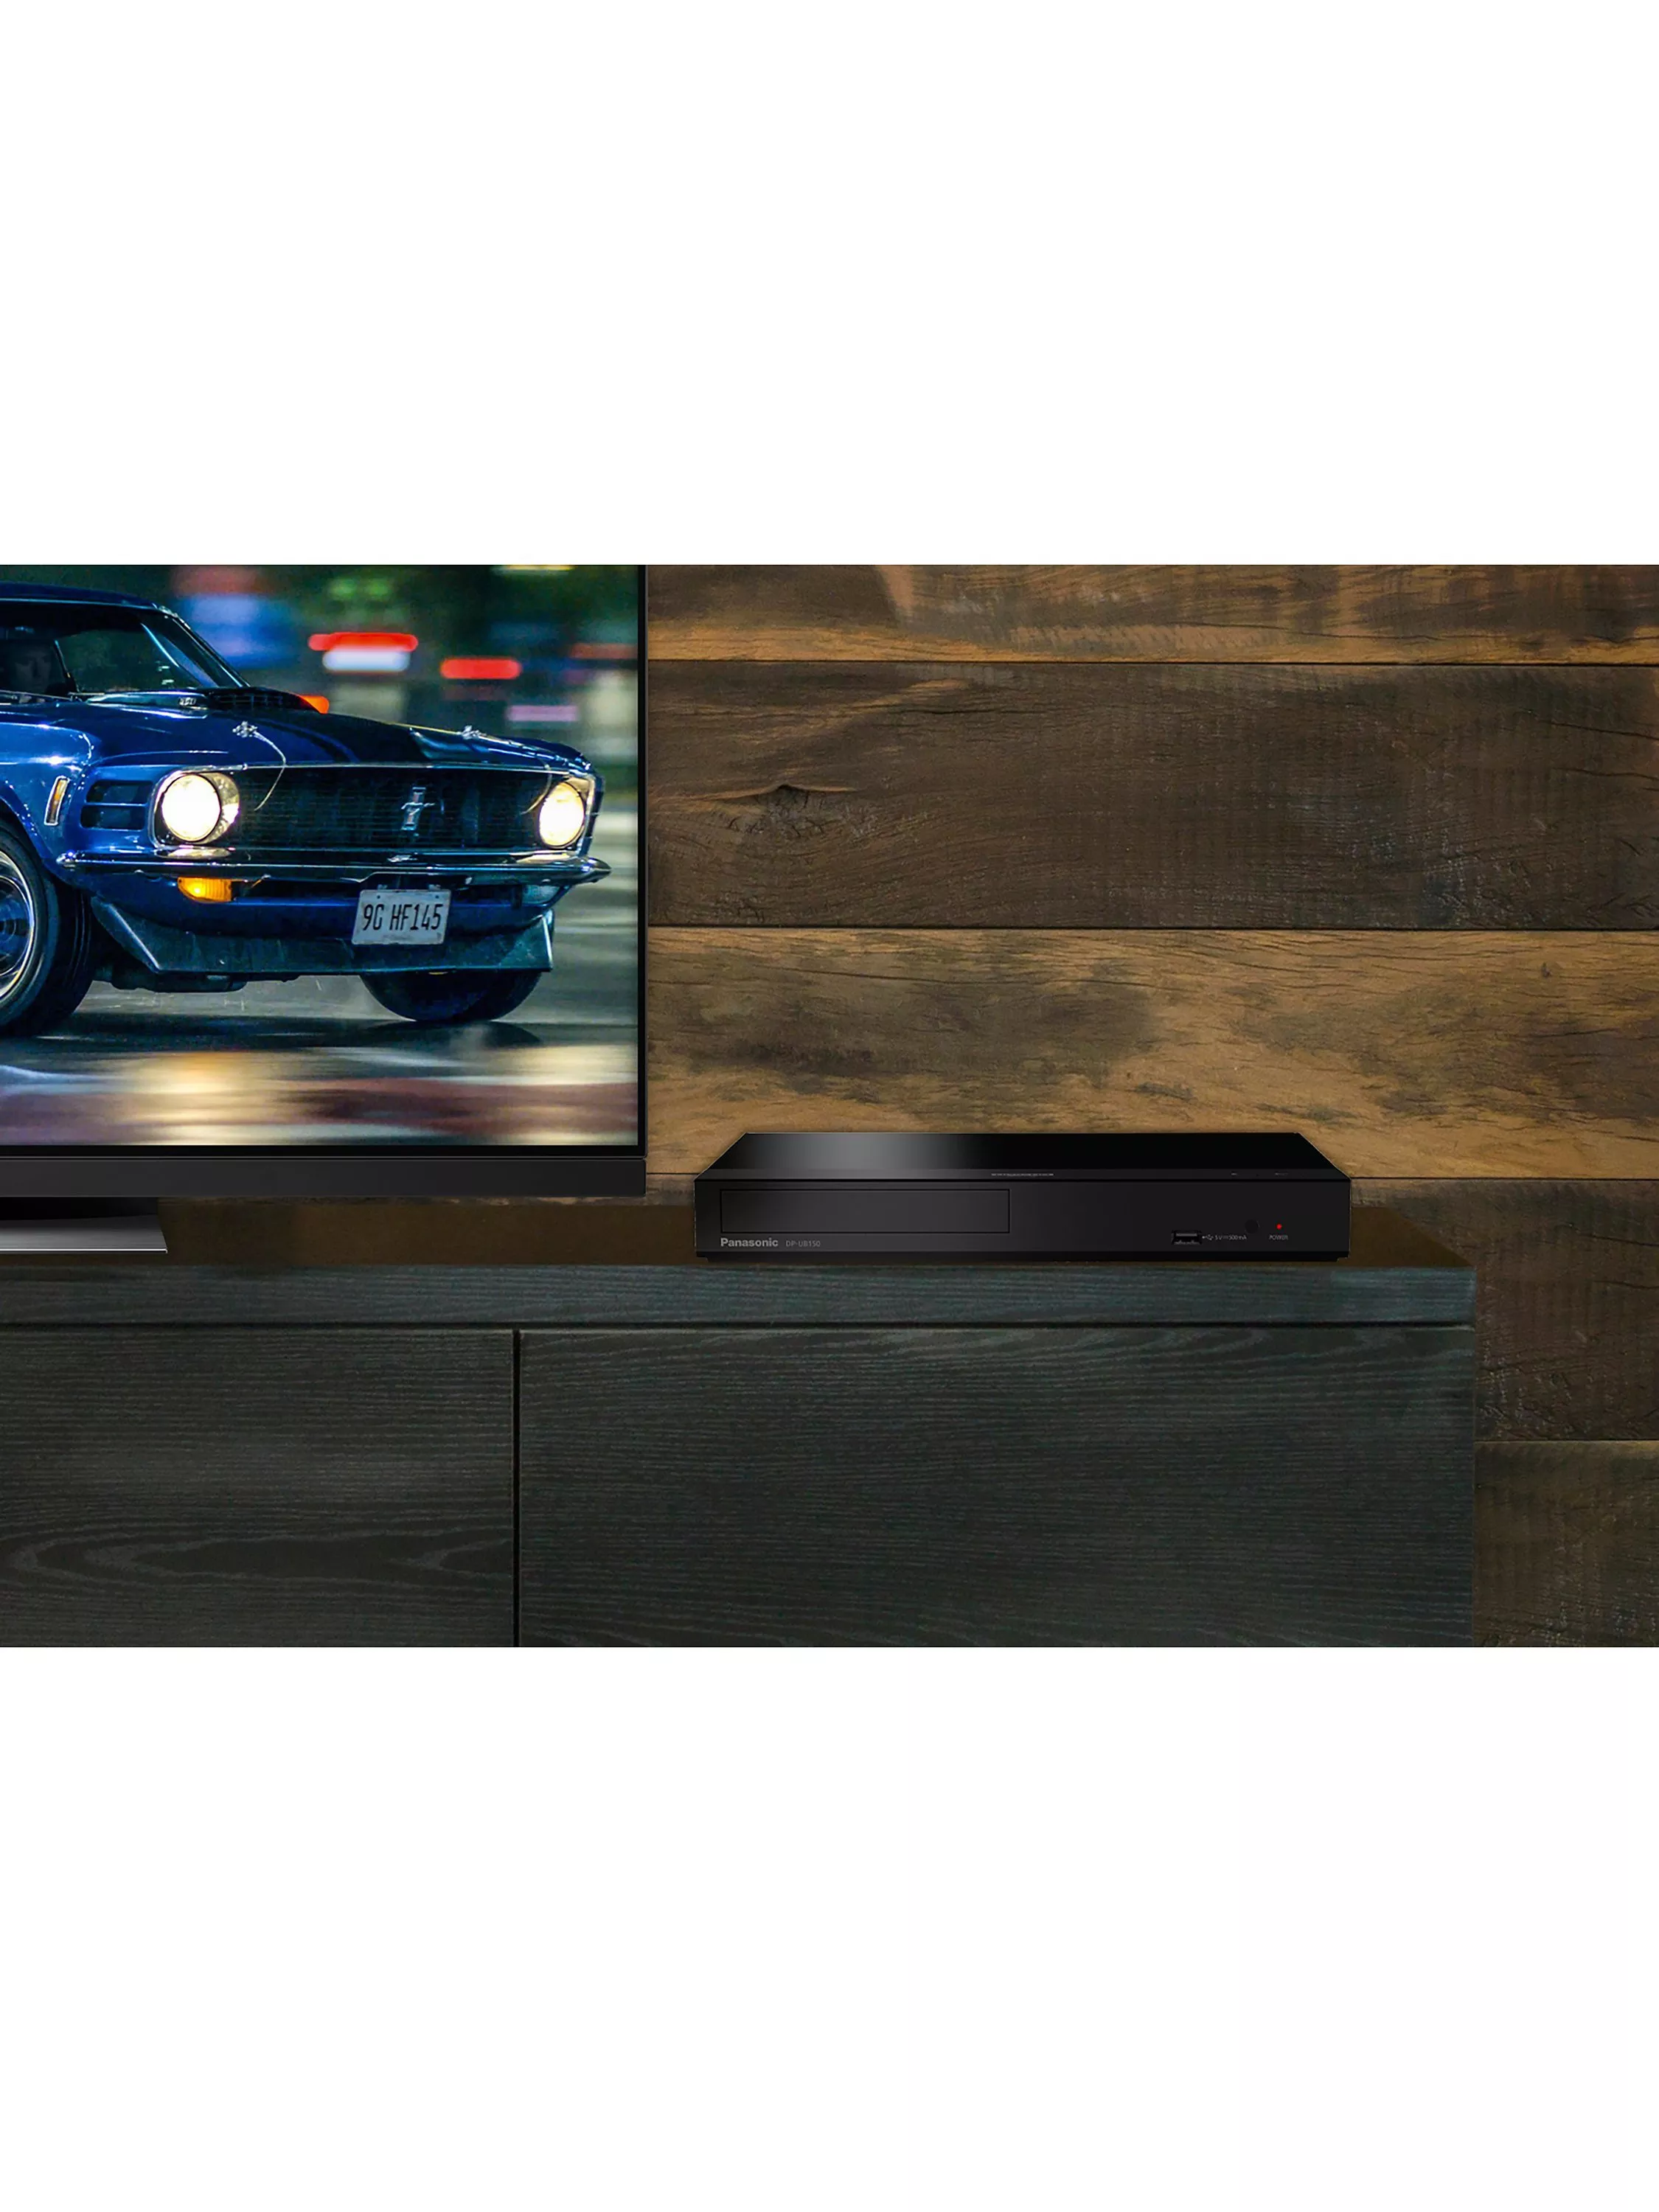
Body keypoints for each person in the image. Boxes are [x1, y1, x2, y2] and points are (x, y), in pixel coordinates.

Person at [0, 633, 71, 695]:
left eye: (45, 660)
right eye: (26, 662)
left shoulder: (67, 703)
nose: (38, 672)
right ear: (6, 667)